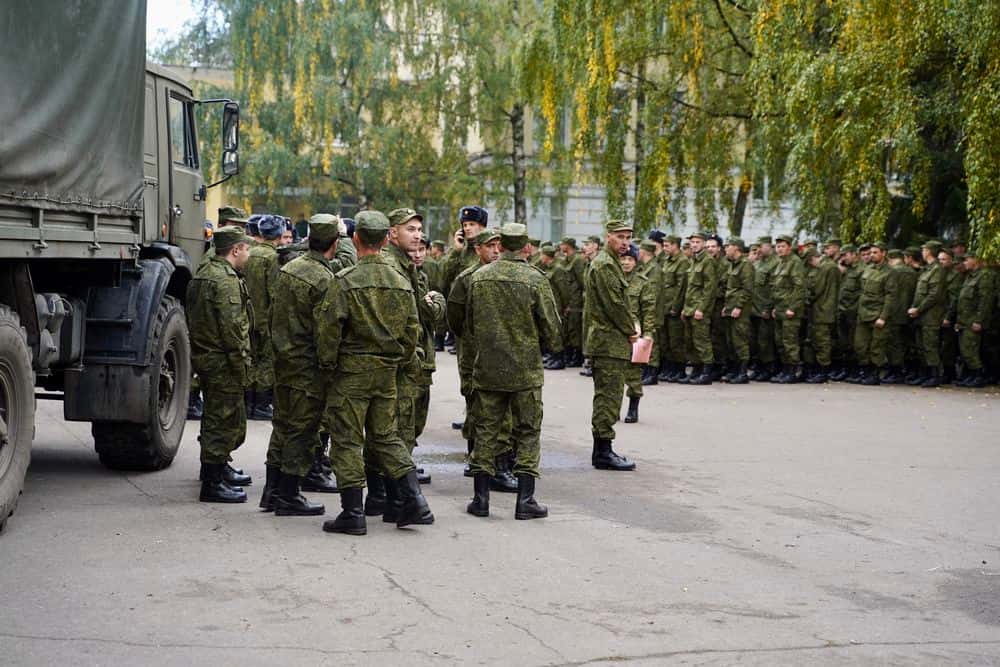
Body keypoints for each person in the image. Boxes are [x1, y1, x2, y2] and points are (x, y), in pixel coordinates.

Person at [318, 210, 434, 535]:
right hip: (387, 374)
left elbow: (329, 333)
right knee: (386, 437)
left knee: (346, 442)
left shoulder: (345, 281)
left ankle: (353, 513)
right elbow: (413, 331)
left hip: (352, 373)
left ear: (356, 239)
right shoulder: (402, 282)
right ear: (386, 239)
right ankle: (416, 500)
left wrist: (329, 367)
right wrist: (401, 361)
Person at [459, 223, 562, 519]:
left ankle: (480, 500)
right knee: (527, 432)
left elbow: (468, 324)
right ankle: (525, 500)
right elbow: (553, 330)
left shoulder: (479, 277)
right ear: (526, 246)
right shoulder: (535, 279)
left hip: (488, 368)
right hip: (525, 371)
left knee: (486, 431)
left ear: (501, 244)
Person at [261, 215, 345, 516]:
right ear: (335, 244)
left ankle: (271, 491)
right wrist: (330, 366)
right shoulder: (325, 280)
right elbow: (326, 331)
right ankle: (289, 495)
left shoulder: (290, 268)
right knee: (302, 431)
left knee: (282, 426)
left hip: (283, 361)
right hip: (307, 367)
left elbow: (273, 313)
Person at [186, 226, 255, 503]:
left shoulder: (203, 273)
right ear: (236, 250)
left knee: (216, 416)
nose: (248, 254)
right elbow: (233, 330)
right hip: (222, 361)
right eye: (246, 249)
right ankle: (212, 483)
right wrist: (243, 366)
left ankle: (215, 470)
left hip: (206, 356)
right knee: (222, 421)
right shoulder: (224, 281)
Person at [445, 229, 516, 491]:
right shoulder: (467, 278)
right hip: (474, 353)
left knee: (503, 410)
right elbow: (454, 316)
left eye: (500, 246)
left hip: (502, 353)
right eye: (490, 246)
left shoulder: (508, 275)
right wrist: (468, 338)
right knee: (476, 404)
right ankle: (478, 459)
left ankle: (497, 462)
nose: (496, 251)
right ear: (478, 250)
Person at [584, 219, 641, 471]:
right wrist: (631, 330)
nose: (625, 242)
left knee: (609, 395)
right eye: (620, 237)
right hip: (609, 342)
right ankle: (603, 452)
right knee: (608, 397)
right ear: (608, 236)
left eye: (628, 238)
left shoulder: (611, 263)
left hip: (611, 341)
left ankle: (604, 449)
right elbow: (615, 305)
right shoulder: (605, 265)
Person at [243, 214, 284, 421]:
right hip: (266, 319)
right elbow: (275, 292)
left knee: (249, 358)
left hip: (247, 316)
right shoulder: (272, 258)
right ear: (278, 235)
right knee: (267, 360)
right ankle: (260, 404)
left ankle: (247, 402)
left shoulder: (248, 253)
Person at [851, 242, 897, 386]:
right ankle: (865, 371)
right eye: (871, 253)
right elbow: (861, 291)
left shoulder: (890, 272)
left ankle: (875, 374)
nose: (872, 255)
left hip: (878, 314)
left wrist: (883, 317)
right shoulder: (868, 269)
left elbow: (891, 297)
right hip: (863, 313)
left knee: (877, 347)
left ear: (883, 253)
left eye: (875, 252)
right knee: (860, 345)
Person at [621, 244, 657, 421]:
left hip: (635, 332)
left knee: (634, 372)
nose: (626, 262)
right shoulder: (613, 279)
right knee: (613, 372)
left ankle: (633, 408)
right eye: (623, 259)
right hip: (616, 331)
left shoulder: (643, 282)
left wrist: (648, 333)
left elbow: (649, 311)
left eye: (630, 259)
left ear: (636, 262)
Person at [680, 231, 719, 385]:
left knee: (702, 341)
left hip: (699, 309)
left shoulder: (707, 261)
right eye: (692, 242)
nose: (694, 245)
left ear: (703, 243)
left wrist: (701, 308)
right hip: (689, 307)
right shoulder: (693, 260)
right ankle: (696, 370)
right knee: (690, 341)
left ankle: (707, 372)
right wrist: (684, 308)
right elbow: (690, 288)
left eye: (697, 242)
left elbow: (709, 288)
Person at [907, 241, 946, 387]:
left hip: (930, 315)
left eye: (924, 250)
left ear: (929, 251)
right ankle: (926, 374)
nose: (922, 252)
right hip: (921, 315)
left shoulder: (937, 269)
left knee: (930, 345)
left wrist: (919, 309)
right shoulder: (927, 269)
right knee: (921, 345)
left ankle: (935, 376)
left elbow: (934, 294)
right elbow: (919, 293)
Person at [770, 234, 807, 383]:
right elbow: (777, 288)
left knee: (789, 341)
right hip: (779, 308)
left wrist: (793, 307)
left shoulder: (794, 262)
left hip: (789, 310)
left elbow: (799, 288)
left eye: (782, 246)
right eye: (777, 246)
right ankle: (785, 370)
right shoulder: (780, 263)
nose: (779, 249)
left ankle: (792, 371)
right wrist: (774, 307)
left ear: (789, 247)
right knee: (780, 342)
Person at [955, 253, 995, 387]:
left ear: (975, 260)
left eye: (967, 259)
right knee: (966, 350)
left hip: (973, 320)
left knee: (970, 350)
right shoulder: (970, 276)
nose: (964, 262)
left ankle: (979, 376)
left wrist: (979, 320)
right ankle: (971, 376)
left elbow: (985, 301)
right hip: (964, 320)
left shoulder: (985, 276)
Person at [803, 245, 840, 383]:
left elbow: (816, 289)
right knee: (817, 341)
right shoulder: (829, 266)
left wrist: (806, 299)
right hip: (822, 310)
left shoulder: (825, 268)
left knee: (822, 342)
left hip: (822, 311)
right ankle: (818, 370)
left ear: (812, 258)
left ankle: (823, 371)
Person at [722, 238, 754, 383]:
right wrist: (727, 306)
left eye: (728, 246)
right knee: (731, 341)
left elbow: (747, 289)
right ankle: (734, 371)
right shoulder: (732, 265)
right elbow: (730, 289)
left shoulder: (745, 265)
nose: (726, 249)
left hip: (739, 310)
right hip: (730, 307)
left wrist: (739, 306)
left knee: (740, 340)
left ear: (736, 248)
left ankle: (742, 373)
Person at [659, 235, 690, 382]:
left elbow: (681, 287)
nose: (664, 248)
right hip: (664, 305)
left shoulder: (682, 262)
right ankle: (669, 368)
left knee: (676, 340)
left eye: (667, 245)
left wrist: (675, 307)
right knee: (666, 340)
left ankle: (680, 369)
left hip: (673, 307)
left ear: (675, 245)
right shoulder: (667, 260)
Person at [750, 236, 778, 381]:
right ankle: (759, 367)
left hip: (764, 308)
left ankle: (768, 368)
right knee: (755, 341)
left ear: (769, 246)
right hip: (753, 308)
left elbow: (774, 289)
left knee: (765, 341)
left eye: (761, 246)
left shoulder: (775, 263)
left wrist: (769, 308)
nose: (758, 250)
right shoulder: (758, 263)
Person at [558, 237, 588, 367]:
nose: (560, 246)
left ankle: (577, 357)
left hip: (576, 299)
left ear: (568, 245)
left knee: (574, 328)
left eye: (562, 244)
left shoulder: (578, 260)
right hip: (568, 298)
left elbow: (582, 281)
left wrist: (581, 299)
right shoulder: (567, 260)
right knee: (568, 328)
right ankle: (570, 355)